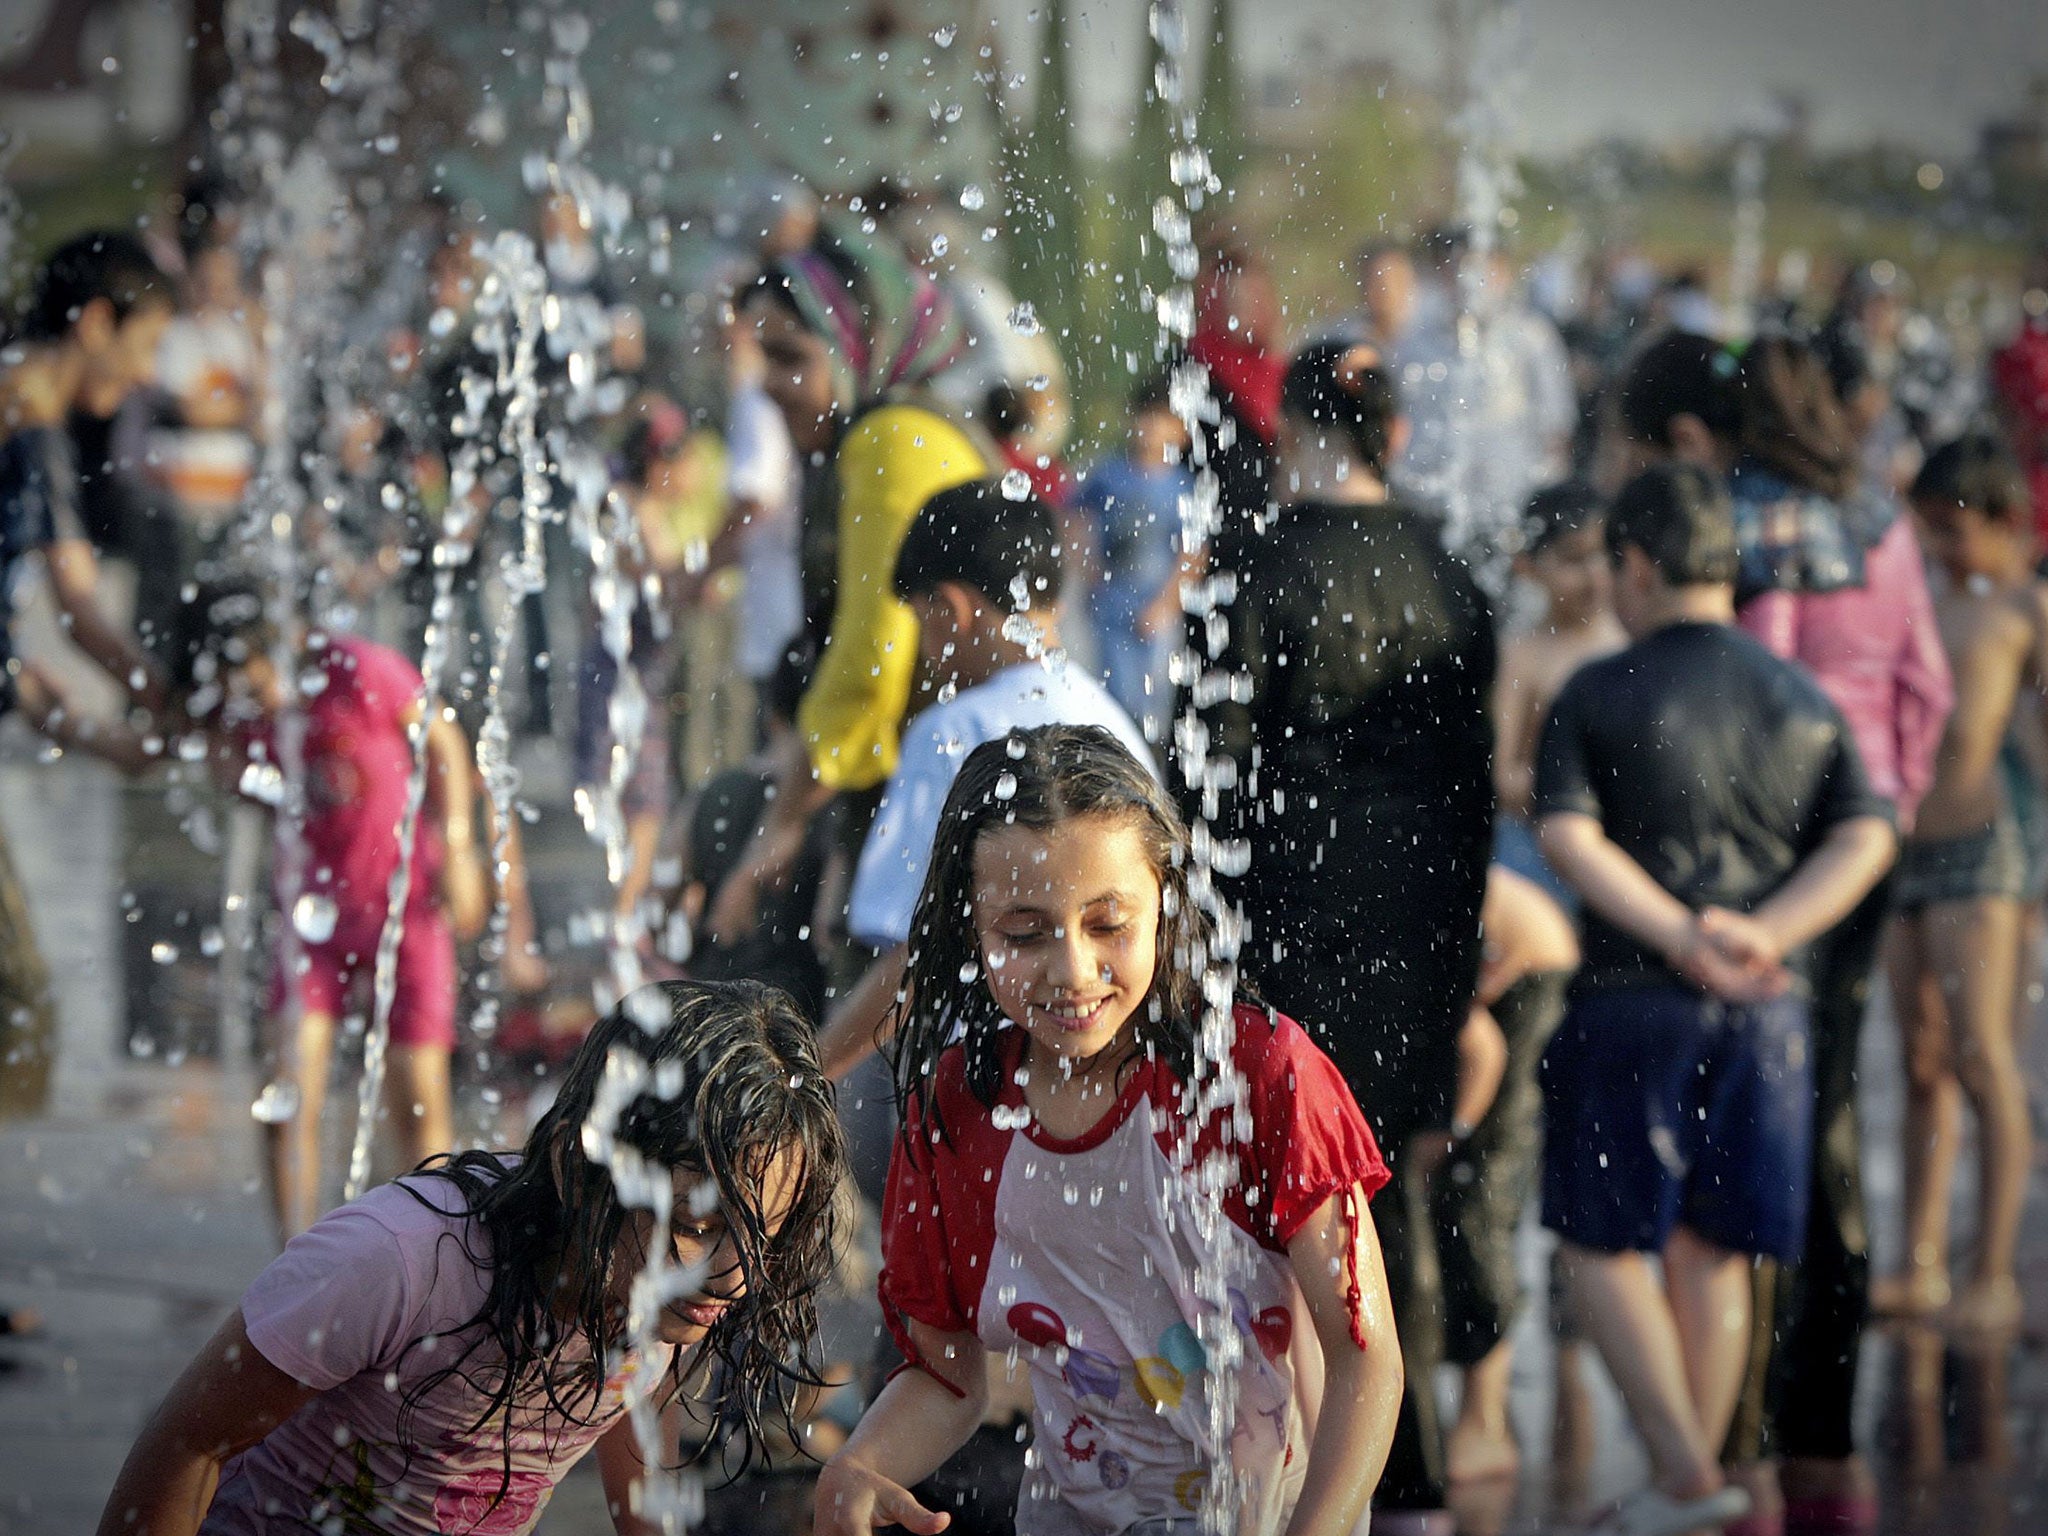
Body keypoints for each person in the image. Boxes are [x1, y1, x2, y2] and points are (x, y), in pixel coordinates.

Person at [813, 726, 1403, 1536]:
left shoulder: (1254, 1078)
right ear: (968, 929)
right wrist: (861, 1465)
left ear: (1166, 896)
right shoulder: (957, 1115)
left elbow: (1366, 1357)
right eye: (1022, 934)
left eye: (1108, 924)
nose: (1072, 970)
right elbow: (948, 1381)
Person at [93, 978, 849, 1536]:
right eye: (693, 1224)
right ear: (576, 1163)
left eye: (764, 1236)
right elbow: (188, 1441)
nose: (736, 1277)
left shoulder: (670, 1295)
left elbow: (633, 1412)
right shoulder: (399, 1263)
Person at [1617, 331, 1953, 1532]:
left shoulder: (1729, 529)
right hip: (1857, 863)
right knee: (1830, 1126)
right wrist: (1890, 811)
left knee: (1734, 1138)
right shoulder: (1880, 523)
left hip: (1750, 869)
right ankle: (1825, 1430)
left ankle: (1738, 1440)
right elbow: (1926, 686)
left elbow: (1726, 700)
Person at [1533, 463, 1896, 1536]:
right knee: (1714, 1249)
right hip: (1763, 1008)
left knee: (1599, 1249)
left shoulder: (1595, 690)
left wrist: (1676, 931)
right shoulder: (1795, 693)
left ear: (1636, 566)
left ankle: (1684, 1477)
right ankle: (1693, 1484)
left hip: (1631, 999)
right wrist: (1768, 931)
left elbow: (1564, 833)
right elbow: (1869, 832)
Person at [1207, 340, 1495, 1534]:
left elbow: (1209, 785)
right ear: (1399, 435)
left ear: (1291, 431)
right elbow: (1476, 786)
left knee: (1296, 1211)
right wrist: (1460, 951)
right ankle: (1409, 1471)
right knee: (1398, 1200)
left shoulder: (1260, 567)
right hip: (1424, 925)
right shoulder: (1453, 571)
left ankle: (1323, 1481)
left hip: (1291, 932)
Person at [168, 584, 488, 1241]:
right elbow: (260, 788)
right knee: (285, 1093)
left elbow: (445, 744)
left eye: (252, 682)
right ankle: (294, 1256)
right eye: (234, 692)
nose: (250, 702)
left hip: (406, 907)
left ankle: (440, 1251)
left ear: (275, 646)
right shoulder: (243, 712)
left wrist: (458, 848)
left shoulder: (356, 667)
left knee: (417, 1097)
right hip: (312, 920)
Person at [813, 480, 1154, 1085]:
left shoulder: (954, 730)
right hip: (1108, 1070)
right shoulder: (1111, 718)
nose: (924, 652)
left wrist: (810, 1076)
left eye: (921, 621)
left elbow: (910, 959)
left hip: (979, 1083)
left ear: (951, 608)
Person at [707, 221, 988, 951]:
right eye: (762, 359)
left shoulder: (891, 440)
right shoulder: (881, 434)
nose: (767, 386)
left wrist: (785, 823)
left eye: (789, 359)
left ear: (858, 344)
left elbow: (873, 655)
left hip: (945, 797)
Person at [1, 231, 171, 1120]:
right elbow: (75, 598)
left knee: (20, 1017)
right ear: (96, 323)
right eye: (143, 347)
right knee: (16, 1014)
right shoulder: (28, 404)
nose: (145, 378)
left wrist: (92, 736)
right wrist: (164, 695)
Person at [1879, 437, 2041, 1335]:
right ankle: (1921, 1263)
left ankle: (1997, 1274)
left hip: (1987, 852)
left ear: (2007, 521)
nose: (1941, 547)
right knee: (1923, 1064)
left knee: (1984, 1059)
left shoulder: (2026, 605)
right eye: (1930, 530)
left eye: (1954, 530)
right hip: (1910, 851)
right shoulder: (1933, 600)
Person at [1427, 866, 1579, 1489]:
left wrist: (1448, 1135)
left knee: (1478, 1197)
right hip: (1498, 944)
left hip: (1529, 966)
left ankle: (1485, 1421)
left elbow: (1481, 1048)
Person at [1492, 480, 1625, 908]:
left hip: (1620, 844)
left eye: (1604, 555)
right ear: (1526, 565)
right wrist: (1574, 788)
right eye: (1573, 559)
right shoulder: (1522, 655)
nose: (1595, 575)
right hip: (1538, 844)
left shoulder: (1631, 641)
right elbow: (1501, 772)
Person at [1070, 372, 1198, 744]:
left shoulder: (1181, 487)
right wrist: (1087, 567)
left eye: (1162, 420)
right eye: (1144, 417)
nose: (1149, 428)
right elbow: (1075, 516)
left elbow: (1192, 554)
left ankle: (1149, 761)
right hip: (1111, 605)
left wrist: (1167, 604)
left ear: (1182, 434)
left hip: (1156, 609)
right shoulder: (1109, 474)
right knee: (1111, 693)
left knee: (1154, 700)